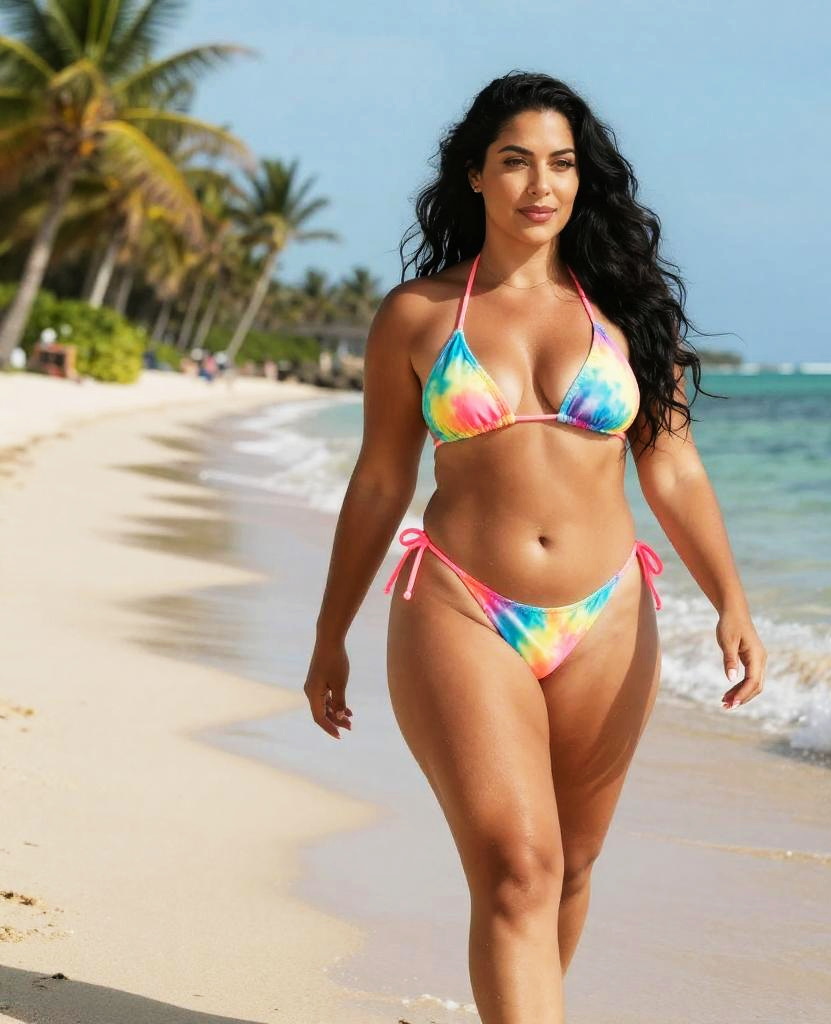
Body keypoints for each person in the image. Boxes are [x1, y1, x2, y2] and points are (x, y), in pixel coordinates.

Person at [304, 71, 766, 1023]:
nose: (540, 184)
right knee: (519, 866)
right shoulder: (419, 315)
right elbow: (381, 481)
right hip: (461, 604)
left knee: (571, 866)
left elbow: (671, 469)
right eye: (515, 162)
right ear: (474, 174)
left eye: (560, 164)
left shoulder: (628, 314)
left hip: (608, 613)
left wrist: (731, 598)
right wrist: (330, 633)